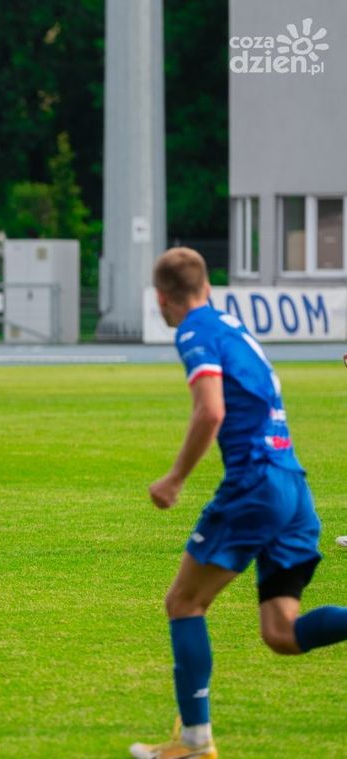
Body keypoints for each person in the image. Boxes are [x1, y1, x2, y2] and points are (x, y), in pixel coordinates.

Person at [130, 247, 347, 759]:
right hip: (293, 484)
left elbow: (211, 412)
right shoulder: (232, 324)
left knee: (184, 603)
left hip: (257, 484)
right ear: (206, 285)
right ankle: (194, 740)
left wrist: (175, 479)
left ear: (162, 298)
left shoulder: (194, 332)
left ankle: (195, 742)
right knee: (282, 633)